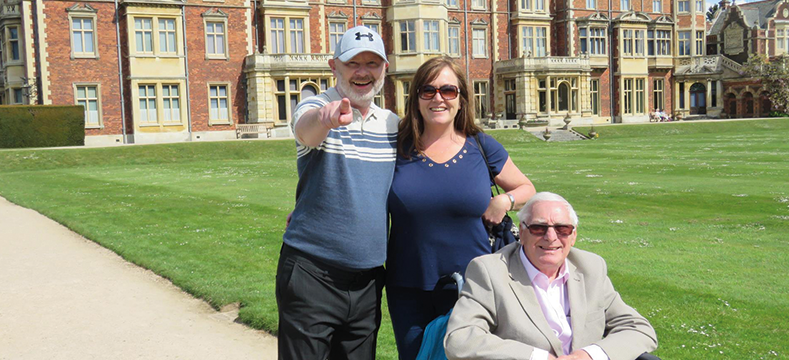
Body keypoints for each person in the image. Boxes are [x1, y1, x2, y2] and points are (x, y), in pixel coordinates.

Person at [386, 56, 536, 359]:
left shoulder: (481, 145)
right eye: (428, 91)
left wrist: (504, 200)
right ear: (415, 98)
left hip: (476, 286)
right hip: (409, 286)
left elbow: (527, 189)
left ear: (461, 99)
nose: (438, 98)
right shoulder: (396, 147)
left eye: (448, 91)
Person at [276, 26, 398, 360]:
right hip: (313, 275)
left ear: (385, 69)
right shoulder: (316, 105)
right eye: (352, 63)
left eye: (372, 63)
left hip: (369, 283)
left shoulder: (392, 126)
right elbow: (306, 131)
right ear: (334, 66)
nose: (363, 72)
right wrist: (326, 119)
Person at [444, 192, 659, 360]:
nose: (551, 237)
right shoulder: (489, 272)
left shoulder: (590, 268)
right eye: (539, 228)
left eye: (562, 229)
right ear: (522, 231)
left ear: (573, 236)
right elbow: (460, 340)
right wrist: (537, 357)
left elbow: (638, 329)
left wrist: (589, 355)